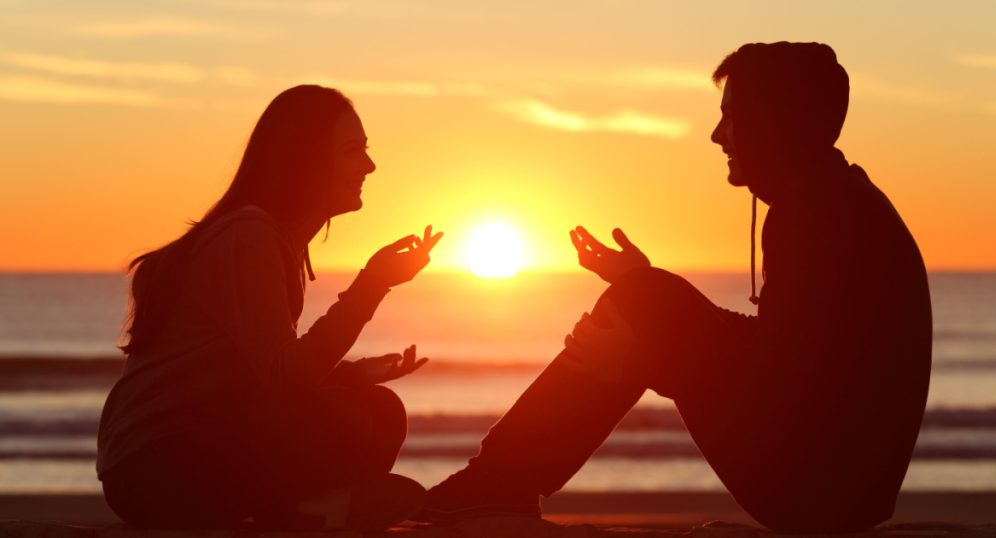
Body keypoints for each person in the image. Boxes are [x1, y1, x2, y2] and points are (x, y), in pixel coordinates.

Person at [416, 42, 932, 533]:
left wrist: (655, 338)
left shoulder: (816, 215)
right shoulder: (835, 200)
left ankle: (495, 483)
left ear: (774, 124)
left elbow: (781, 368)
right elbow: (791, 358)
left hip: (819, 490)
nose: (717, 134)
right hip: (841, 487)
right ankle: (499, 480)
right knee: (647, 296)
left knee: (648, 298)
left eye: (731, 116)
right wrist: (650, 316)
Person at [97, 85, 442, 531]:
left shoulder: (274, 239)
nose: (370, 166)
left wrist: (349, 374)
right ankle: (310, 509)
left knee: (381, 411)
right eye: (353, 151)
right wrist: (370, 286)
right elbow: (283, 380)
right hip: (155, 466)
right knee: (348, 418)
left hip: (197, 445)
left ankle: (311, 508)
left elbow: (254, 377)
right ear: (307, 158)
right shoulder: (250, 235)